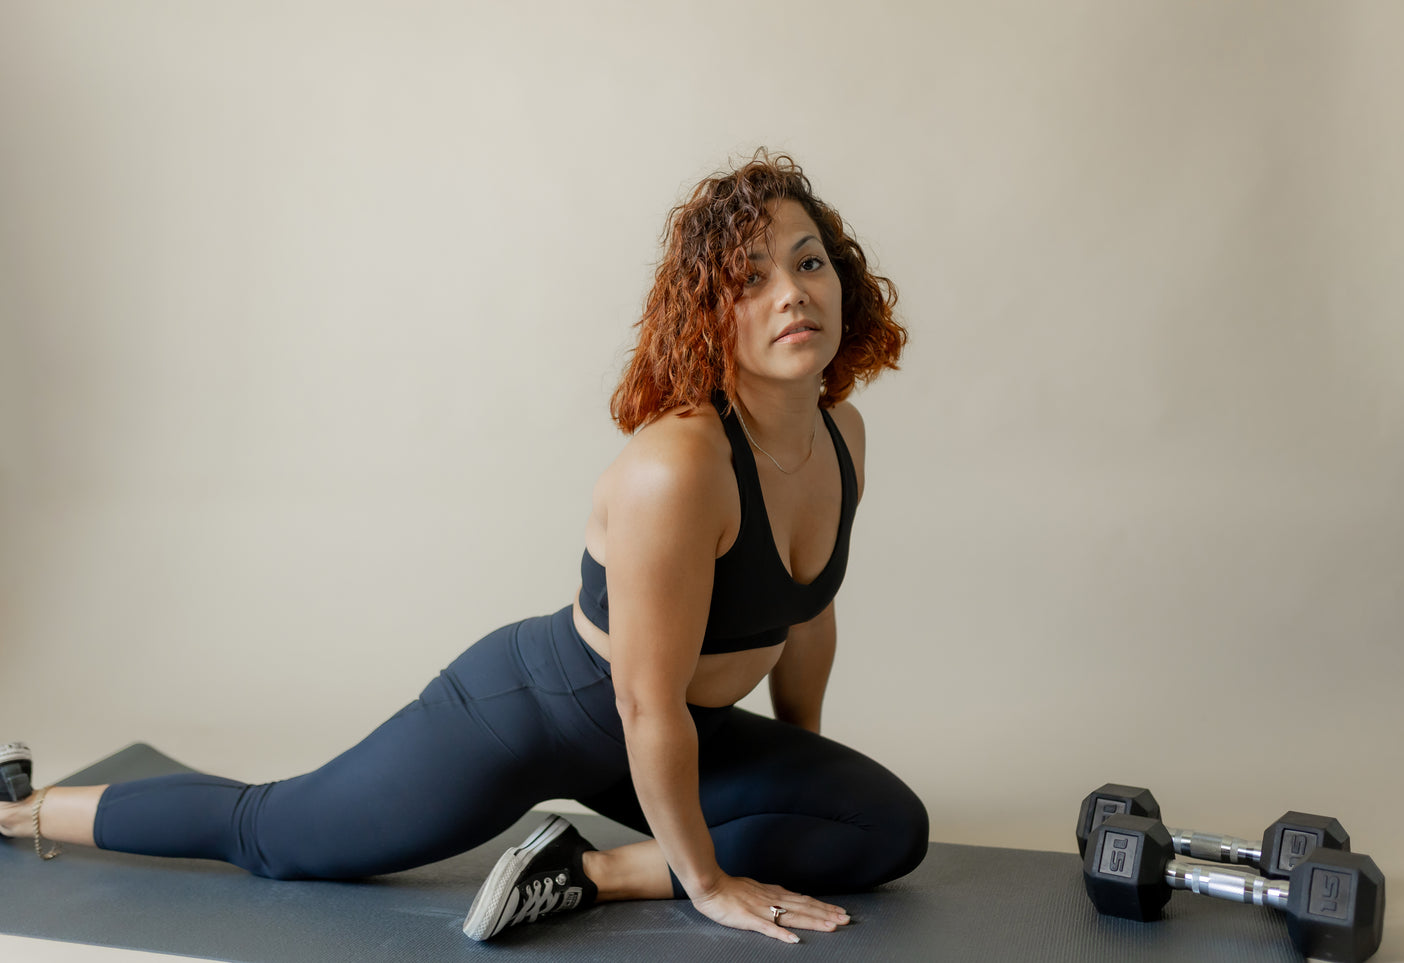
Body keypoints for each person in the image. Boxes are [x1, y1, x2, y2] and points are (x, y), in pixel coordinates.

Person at [1, 151, 928, 945]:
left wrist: (799, 775)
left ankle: (584, 873)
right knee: (277, 834)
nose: (792, 294)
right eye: (751, 280)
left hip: (689, 727)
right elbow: (644, 703)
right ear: (709, 315)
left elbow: (807, 617)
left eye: (808, 263)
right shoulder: (677, 466)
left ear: (842, 278)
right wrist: (712, 882)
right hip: (536, 712)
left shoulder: (841, 433)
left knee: (888, 828)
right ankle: (23, 807)